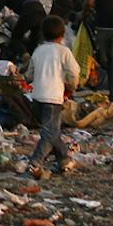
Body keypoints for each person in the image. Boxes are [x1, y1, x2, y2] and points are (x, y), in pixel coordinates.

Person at [24, 15, 77, 175]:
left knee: (52, 131)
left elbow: (29, 75)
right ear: (62, 36)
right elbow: (74, 73)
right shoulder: (64, 52)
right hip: (53, 97)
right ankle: (36, 161)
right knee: (50, 133)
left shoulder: (38, 50)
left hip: (37, 96)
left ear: (42, 34)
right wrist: (71, 87)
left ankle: (64, 160)